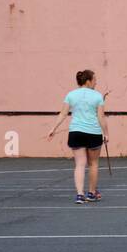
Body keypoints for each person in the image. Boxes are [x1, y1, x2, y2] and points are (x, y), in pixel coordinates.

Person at [48, 69, 108, 205]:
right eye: (94, 80)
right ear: (88, 81)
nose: (96, 82)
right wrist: (106, 133)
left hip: (76, 132)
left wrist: (53, 128)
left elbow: (63, 114)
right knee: (93, 163)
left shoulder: (71, 95)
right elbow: (101, 117)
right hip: (93, 132)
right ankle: (91, 193)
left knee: (80, 164)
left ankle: (80, 195)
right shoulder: (97, 96)